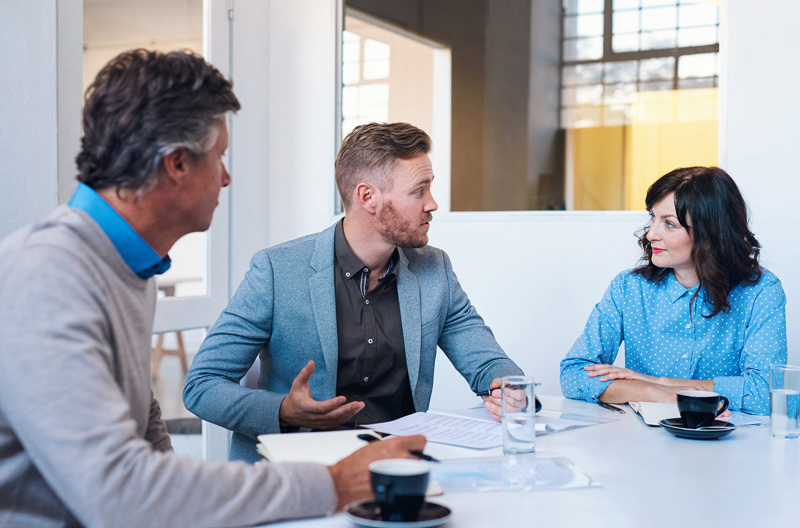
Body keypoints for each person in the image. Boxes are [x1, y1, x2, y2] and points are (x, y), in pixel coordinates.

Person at [0, 49, 426, 528]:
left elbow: (145, 423)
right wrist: (333, 484)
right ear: (177, 163)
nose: (226, 176)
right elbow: (120, 494)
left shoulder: (127, 268)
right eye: (219, 155)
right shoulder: (48, 276)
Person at [183, 122, 524, 463]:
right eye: (419, 191)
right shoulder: (277, 270)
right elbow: (202, 385)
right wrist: (285, 410)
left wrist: (507, 388)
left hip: (397, 468)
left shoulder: (434, 270)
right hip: (298, 474)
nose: (432, 204)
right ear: (368, 197)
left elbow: (488, 361)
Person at [560, 166, 786, 415]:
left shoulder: (761, 292)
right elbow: (573, 374)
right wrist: (655, 393)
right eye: (652, 218)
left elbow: (765, 393)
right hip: (644, 443)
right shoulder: (628, 288)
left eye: (669, 224)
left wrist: (659, 382)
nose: (651, 234)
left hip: (730, 443)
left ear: (711, 233)